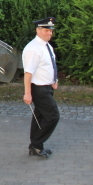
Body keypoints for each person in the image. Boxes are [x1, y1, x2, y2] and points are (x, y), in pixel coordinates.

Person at [22, 17, 60, 158]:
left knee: (40, 116)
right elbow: (28, 73)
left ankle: (36, 146)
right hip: (39, 89)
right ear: (37, 30)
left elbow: (49, 65)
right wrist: (27, 93)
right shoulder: (33, 48)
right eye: (46, 30)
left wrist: (54, 80)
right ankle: (37, 144)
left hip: (47, 87)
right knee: (53, 116)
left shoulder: (46, 45)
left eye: (50, 31)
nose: (49, 33)